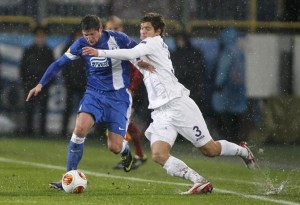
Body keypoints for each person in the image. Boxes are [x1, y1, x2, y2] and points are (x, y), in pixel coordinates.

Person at [82, 12, 257, 195]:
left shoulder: (154, 42)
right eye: (141, 28)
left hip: (178, 104)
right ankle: (200, 181)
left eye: (147, 28)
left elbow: (131, 53)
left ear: (158, 31)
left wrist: (99, 51)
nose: (143, 31)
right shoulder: (147, 46)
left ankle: (242, 151)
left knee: (209, 149)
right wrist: (136, 62)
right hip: (160, 111)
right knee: (158, 154)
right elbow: (133, 57)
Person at [26, 15, 137, 190]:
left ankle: (125, 152)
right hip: (94, 94)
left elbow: (138, 53)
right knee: (79, 129)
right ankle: (68, 178)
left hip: (118, 97)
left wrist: (148, 66)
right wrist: (40, 83)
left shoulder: (119, 39)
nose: (89, 39)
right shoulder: (80, 44)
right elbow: (59, 63)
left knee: (114, 147)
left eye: (92, 35)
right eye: (86, 35)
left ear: (100, 29)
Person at [105, 15, 147, 169]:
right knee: (127, 123)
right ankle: (139, 155)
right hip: (115, 91)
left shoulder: (127, 45)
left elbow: (138, 70)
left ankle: (132, 156)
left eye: (116, 29)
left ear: (122, 29)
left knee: (121, 123)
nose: (113, 31)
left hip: (128, 90)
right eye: (110, 28)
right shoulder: (105, 45)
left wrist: (131, 89)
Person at [211, 27, 247, 143]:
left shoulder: (227, 52)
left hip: (227, 89)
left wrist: (218, 84)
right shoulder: (240, 51)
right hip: (238, 89)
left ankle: (227, 140)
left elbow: (223, 69)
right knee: (236, 114)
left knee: (225, 114)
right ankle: (236, 139)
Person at [20, 25, 54, 136]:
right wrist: (25, 82)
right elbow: (23, 67)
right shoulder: (29, 50)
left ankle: (42, 131)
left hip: (43, 85)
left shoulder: (48, 51)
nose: (40, 38)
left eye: (42, 35)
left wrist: (47, 83)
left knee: (43, 109)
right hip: (30, 84)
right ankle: (29, 131)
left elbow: (52, 69)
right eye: (38, 35)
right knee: (29, 108)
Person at [171, 32, 210, 119]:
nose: (180, 42)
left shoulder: (194, 54)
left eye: (181, 39)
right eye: (178, 39)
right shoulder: (176, 55)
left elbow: (198, 73)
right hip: (181, 92)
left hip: (191, 91)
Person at [61, 27, 86, 136]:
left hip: (84, 84)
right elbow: (63, 66)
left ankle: (82, 131)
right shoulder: (69, 48)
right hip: (71, 83)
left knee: (85, 110)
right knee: (68, 107)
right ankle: (64, 130)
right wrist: (67, 79)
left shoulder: (88, 49)